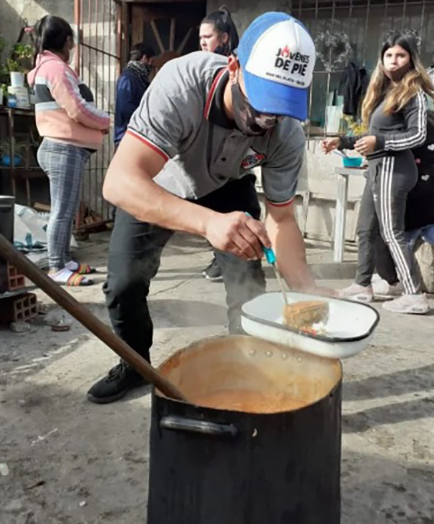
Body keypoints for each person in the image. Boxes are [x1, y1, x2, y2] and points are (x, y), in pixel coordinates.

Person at [88, 12, 332, 404]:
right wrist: (206, 223)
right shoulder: (182, 83)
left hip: (228, 184)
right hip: (159, 183)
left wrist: (305, 288)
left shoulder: (285, 134)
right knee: (123, 284)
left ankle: (244, 364)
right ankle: (135, 365)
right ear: (234, 67)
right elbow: (119, 182)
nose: (267, 120)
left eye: (281, 109)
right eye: (262, 102)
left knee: (248, 283)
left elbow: (282, 219)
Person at [321, 30, 434, 314]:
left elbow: (417, 136)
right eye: (389, 55)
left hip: (395, 169)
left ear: (411, 59)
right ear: (382, 58)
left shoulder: (412, 93)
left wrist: (380, 142)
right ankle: (362, 285)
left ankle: (414, 295)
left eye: (400, 55)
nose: (393, 60)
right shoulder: (382, 91)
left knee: (393, 233)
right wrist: (342, 141)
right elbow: (374, 134)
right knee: (365, 229)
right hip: (377, 169)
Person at [331, 110, 434, 303]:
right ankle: (381, 282)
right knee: (380, 224)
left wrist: (352, 144)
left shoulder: (404, 124)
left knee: (380, 227)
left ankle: (394, 282)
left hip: (427, 194)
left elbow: (382, 142)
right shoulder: (427, 122)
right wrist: (345, 142)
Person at [27, 15, 111, 287]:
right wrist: (105, 121)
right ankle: (56, 267)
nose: (73, 45)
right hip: (62, 148)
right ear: (66, 40)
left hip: (61, 148)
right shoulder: (56, 69)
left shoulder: (46, 67)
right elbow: (78, 109)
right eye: (72, 39)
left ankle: (63, 260)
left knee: (67, 209)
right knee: (62, 211)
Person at [198, 6, 240, 283]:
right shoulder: (195, 68)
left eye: (208, 37)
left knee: (231, 206)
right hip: (202, 152)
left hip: (232, 154)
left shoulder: (237, 70)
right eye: (200, 37)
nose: (202, 42)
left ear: (224, 38)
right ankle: (221, 258)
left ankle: (229, 262)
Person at [114, 43, 156, 146]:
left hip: (136, 136)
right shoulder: (128, 78)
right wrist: (145, 119)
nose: (151, 65)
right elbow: (125, 108)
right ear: (145, 58)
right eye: (151, 61)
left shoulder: (139, 78)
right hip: (127, 137)